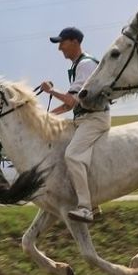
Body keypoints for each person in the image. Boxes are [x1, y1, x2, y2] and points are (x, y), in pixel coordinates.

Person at [40, 27, 111, 222]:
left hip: (95, 119)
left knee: (72, 155)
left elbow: (70, 102)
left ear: (74, 42)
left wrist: (51, 91)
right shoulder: (77, 65)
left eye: (62, 42)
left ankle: (86, 208)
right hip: (83, 119)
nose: (59, 48)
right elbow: (70, 105)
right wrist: (45, 116)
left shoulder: (85, 65)